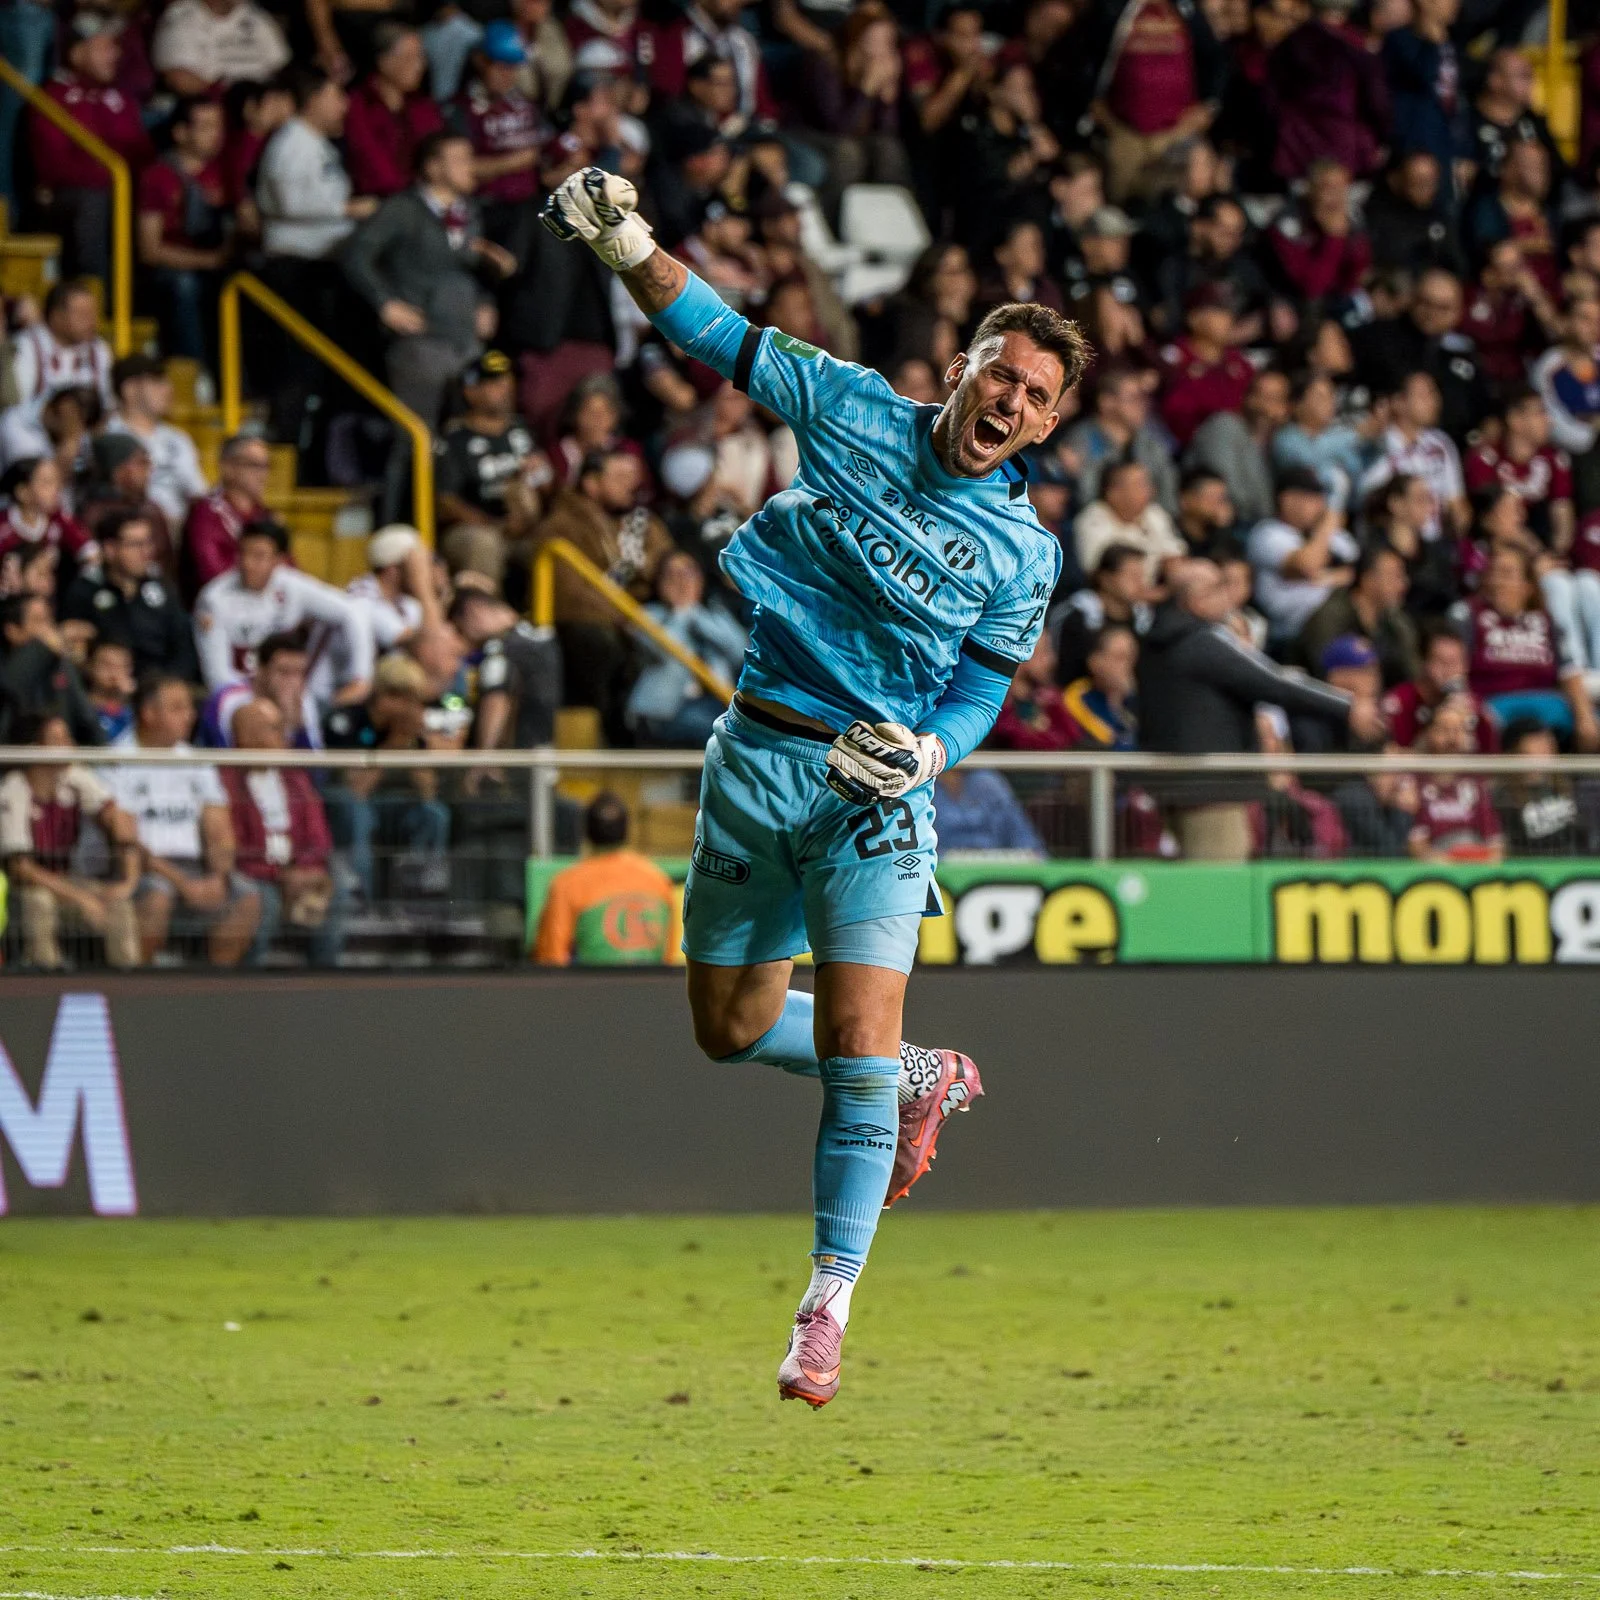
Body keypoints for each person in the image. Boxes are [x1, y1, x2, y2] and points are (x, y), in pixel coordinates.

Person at [543, 163, 1093, 1407]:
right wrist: (628, 241)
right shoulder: (849, 406)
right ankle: (917, 1075)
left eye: (1036, 396)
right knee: (725, 1032)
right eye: (1001, 372)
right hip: (755, 758)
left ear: (1049, 427)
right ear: (962, 368)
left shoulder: (1022, 554)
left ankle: (825, 1307)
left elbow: (980, 690)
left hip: (874, 792)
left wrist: (932, 753)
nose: (1010, 398)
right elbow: (715, 328)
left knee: (852, 1041)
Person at [1137, 559, 1383, 858]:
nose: (1227, 594)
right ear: (1195, 599)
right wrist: (1346, 707)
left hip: (1172, 787)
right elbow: (1274, 681)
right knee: (1219, 887)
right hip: (1212, 790)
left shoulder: (1157, 640)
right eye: (1218, 586)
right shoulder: (1203, 639)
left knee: (1190, 885)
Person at [100, 672, 261, 966]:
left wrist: (218, 876)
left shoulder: (197, 760)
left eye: (189, 707)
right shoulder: (116, 761)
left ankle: (213, 991)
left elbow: (219, 829)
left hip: (195, 866)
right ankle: (140, 989)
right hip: (143, 869)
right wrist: (183, 883)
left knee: (247, 897)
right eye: (177, 708)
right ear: (148, 713)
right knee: (158, 897)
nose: (190, 716)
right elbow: (126, 839)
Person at [531, 444, 674, 738]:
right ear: (591, 483)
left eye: (633, 477)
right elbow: (569, 595)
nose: (632, 486)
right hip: (591, 626)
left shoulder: (644, 524)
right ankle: (612, 735)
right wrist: (625, 620)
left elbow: (669, 566)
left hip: (644, 619)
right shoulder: (562, 524)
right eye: (620, 478)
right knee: (599, 642)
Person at [0, 710, 140, 969]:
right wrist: (81, 898)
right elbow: (21, 869)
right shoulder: (13, 789)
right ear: (34, 749)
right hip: (23, 890)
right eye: (58, 740)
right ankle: (45, 978)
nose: (70, 747)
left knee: (118, 903)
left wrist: (128, 882)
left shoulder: (75, 777)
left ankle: (128, 982)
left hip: (68, 881)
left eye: (68, 738)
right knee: (38, 901)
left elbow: (119, 821)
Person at [28, 10, 153, 282]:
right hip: (70, 200)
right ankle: (96, 299)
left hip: (118, 193)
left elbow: (141, 154)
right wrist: (111, 174)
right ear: (76, 53)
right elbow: (55, 168)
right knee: (93, 201)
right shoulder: (54, 97)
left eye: (116, 46)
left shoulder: (121, 98)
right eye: (105, 46)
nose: (115, 54)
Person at [193, 520, 374, 705]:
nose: (247, 564)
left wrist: (361, 679)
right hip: (238, 699)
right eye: (243, 554)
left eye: (258, 556)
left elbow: (353, 612)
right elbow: (217, 677)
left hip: (290, 695)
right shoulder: (213, 599)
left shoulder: (290, 586)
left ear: (278, 560)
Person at [223, 696, 346, 967]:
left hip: (298, 868)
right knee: (263, 902)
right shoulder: (227, 782)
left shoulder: (296, 778)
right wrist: (280, 875)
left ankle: (325, 979)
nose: (285, 738)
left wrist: (304, 869)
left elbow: (318, 836)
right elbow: (234, 848)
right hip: (255, 874)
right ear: (245, 737)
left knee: (340, 886)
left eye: (282, 728)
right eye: (273, 729)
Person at [321, 651, 452, 904]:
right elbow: (355, 789)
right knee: (357, 813)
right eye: (400, 698)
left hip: (395, 807)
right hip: (347, 809)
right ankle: (360, 898)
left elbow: (428, 791)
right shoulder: (347, 720)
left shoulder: (411, 728)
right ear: (381, 695)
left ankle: (418, 896)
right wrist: (393, 745)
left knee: (434, 813)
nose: (408, 708)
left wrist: (411, 743)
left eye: (414, 700)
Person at [1458, 541, 1599, 746]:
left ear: (1527, 586)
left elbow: (1570, 671)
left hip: (1548, 704)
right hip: (1492, 704)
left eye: (1506, 574)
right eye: (1492, 573)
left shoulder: (1546, 621)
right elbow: (1455, 667)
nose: (1496, 581)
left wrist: (1585, 716)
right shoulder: (1468, 615)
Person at [435, 350, 548, 587]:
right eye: (494, 383)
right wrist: (493, 525)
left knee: (560, 542)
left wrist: (542, 476)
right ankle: (488, 620)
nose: (505, 389)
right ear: (471, 390)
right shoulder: (455, 439)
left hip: (524, 527)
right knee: (483, 544)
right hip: (473, 528)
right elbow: (445, 501)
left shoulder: (522, 431)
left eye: (508, 381)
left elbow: (547, 486)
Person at [532, 790, 682, 964]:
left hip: (589, 990)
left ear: (585, 831)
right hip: (653, 989)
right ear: (627, 830)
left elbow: (551, 958)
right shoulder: (659, 881)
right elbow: (669, 956)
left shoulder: (567, 884)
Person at [135, 95, 231, 363]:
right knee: (184, 286)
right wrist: (209, 261)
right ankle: (194, 374)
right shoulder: (158, 176)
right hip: (174, 269)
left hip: (221, 262)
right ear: (180, 132)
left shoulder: (226, 170)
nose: (216, 135)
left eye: (219, 126)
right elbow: (150, 250)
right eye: (206, 127)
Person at [59, 509, 197, 682]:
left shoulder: (162, 586)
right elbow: (75, 656)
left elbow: (184, 647)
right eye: (136, 545)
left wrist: (167, 684)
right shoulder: (84, 592)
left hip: (162, 684)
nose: (146, 552)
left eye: (148, 543)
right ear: (110, 549)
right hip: (107, 689)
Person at [627, 551, 746, 746]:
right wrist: (681, 612)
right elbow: (666, 648)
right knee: (722, 730)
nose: (681, 582)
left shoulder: (714, 615)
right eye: (672, 575)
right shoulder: (647, 615)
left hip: (718, 704)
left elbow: (739, 650)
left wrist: (696, 613)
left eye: (688, 574)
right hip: (667, 710)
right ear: (660, 583)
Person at [1247, 466, 1361, 647]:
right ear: (1286, 499)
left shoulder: (1328, 534)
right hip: (1292, 635)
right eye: (1313, 498)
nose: (1321, 506)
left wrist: (1325, 577)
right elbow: (1308, 566)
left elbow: (1359, 571)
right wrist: (1332, 515)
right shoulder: (1267, 533)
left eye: (1322, 498)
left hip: (1337, 619)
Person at [103, 356, 210, 529]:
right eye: (157, 382)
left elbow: (198, 493)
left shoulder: (178, 439)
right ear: (129, 389)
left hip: (176, 532)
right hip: (126, 528)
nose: (169, 390)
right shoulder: (106, 434)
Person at [1293, 542, 1418, 688]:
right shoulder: (1330, 617)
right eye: (1394, 576)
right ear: (1367, 580)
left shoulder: (1397, 624)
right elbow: (1322, 672)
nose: (1404, 584)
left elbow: (1412, 675)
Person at [343, 22, 444, 200]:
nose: (419, 66)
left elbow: (439, 154)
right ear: (383, 61)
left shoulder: (423, 106)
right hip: (380, 203)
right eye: (409, 58)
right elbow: (372, 165)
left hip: (426, 199)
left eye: (421, 57)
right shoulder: (358, 106)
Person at [1407, 699, 1505, 862]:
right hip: (1436, 871)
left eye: (1459, 730)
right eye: (1444, 729)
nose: (1452, 738)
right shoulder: (1415, 783)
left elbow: (1495, 845)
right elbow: (1416, 846)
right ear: (1429, 733)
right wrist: (1450, 866)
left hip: (1475, 863)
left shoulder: (1476, 783)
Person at [180, 433, 271, 603]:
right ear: (227, 467)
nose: (263, 475)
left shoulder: (265, 515)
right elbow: (212, 573)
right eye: (254, 465)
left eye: (266, 466)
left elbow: (288, 567)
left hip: (262, 604)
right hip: (218, 607)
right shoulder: (206, 513)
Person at [1382, 618, 1497, 752]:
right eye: (1441, 661)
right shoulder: (1400, 703)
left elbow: (1489, 762)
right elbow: (1392, 755)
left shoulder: (1475, 708)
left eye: (1455, 662)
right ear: (1423, 663)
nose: (1449, 670)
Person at [1048, 542, 1150, 685]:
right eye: (1132, 576)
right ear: (1105, 579)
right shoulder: (1077, 614)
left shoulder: (1143, 619)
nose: (1140, 583)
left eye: (1142, 576)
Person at [1073, 460, 1185, 586]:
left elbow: (1175, 558)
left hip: (1157, 590)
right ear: (1113, 493)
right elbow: (1102, 580)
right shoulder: (1091, 522)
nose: (1150, 490)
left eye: (1147, 483)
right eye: (1139, 484)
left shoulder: (1153, 512)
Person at [10, 279, 114, 410]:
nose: (92, 321)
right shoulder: (26, 347)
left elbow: (107, 405)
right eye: (82, 314)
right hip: (32, 428)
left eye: (93, 314)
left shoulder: (99, 349)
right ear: (56, 316)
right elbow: (15, 409)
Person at [151, 0, 291, 93]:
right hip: (217, 108)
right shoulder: (181, 16)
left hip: (266, 102)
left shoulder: (257, 17)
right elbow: (179, 79)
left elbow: (281, 66)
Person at [930, 766, 1046, 854]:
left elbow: (1021, 833)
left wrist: (1032, 853)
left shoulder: (987, 782)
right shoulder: (923, 786)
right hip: (940, 865)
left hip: (994, 864)